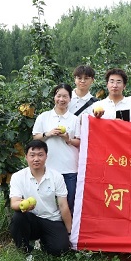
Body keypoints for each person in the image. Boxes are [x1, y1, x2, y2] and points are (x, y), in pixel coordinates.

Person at [9, 140, 72, 256]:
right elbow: (14, 203)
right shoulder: (18, 177)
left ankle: (42, 242)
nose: (36, 159)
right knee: (18, 217)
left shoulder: (56, 177)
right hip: (32, 219)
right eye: (32, 155)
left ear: (46, 156)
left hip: (51, 219)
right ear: (26, 157)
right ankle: (25, 251)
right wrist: (23, 205)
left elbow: (63, 205)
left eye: (40, 155)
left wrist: (69, 233)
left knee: (60, 250)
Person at [32, 83, 80, 215]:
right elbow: (35, 137)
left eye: (65, 96)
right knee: (48, 203)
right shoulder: (44, 117)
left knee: (69, 202)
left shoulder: (74, 119)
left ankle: (68, 227)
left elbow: (78, 142)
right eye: (59, 96)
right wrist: (48, 134)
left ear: (70, 99)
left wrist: (68, 139)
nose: (61, 99)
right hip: (48, 167)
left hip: (69, 168)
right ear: (54, 97)